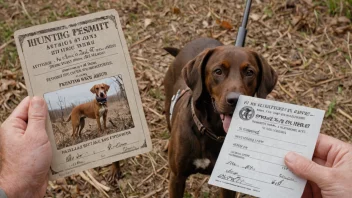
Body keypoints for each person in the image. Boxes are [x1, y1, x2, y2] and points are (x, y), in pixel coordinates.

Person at [0, 97, 351, 198]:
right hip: (188, 133)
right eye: (219, 75)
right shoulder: (184, 125)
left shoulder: (249, 140)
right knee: (178, 171)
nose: (233, 92)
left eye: (246, 77)